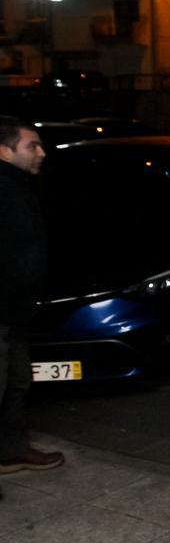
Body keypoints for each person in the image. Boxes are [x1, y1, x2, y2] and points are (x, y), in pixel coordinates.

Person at [0, 116, 65, 483]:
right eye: (32, 146)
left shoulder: (19, 186)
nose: (42, 152)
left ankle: (11, 452)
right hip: (4, 310)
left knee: (16, 382)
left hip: (15, 312)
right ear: (4, 151)